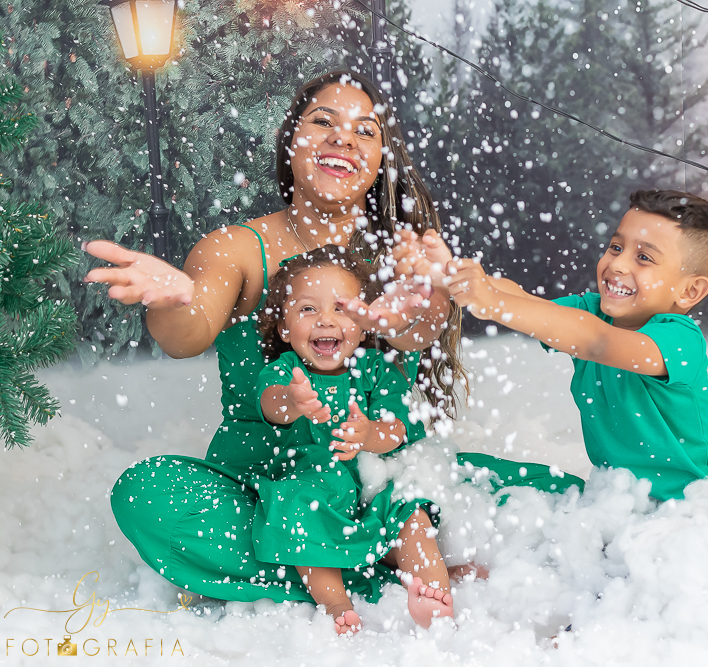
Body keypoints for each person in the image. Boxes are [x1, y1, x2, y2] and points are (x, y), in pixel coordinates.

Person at [83, 70, 466, 605]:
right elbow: (187, 335)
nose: (343, 138)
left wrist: (436, 297)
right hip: (266, 488)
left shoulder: (398, 258)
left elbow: (416, 332)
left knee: (547, 495)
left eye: (365, 131)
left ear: (381, 162)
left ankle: (337, 557)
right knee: (146, 495)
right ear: (291, 142)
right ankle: (365, 570)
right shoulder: (235, 249)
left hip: (379, 484)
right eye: (323, 121)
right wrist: (170, 302)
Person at [407, 190, 708, 502]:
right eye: (616, 248)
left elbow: (596, 342)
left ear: (690, 292)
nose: (618, 265)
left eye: (644, 257)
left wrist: (489, 301)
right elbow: (523, 300)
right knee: (470, 470)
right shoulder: (591, 312)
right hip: (613, 502)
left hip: (687, 513)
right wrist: (453, 276)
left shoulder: (680, 339)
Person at [253, 247, 452, 632]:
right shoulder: (286, 370)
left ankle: (433, 593)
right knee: (296, 509)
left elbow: (398, 429)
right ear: (283, 328)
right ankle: (336, 602)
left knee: (413, 516)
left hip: (375, 487)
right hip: (317, 489)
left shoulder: (376, 369)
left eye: (341, 309)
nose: (326, 320)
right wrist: (293, 400)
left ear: (362, 324)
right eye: (308, 310)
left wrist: (369, 434)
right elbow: (271, 403)